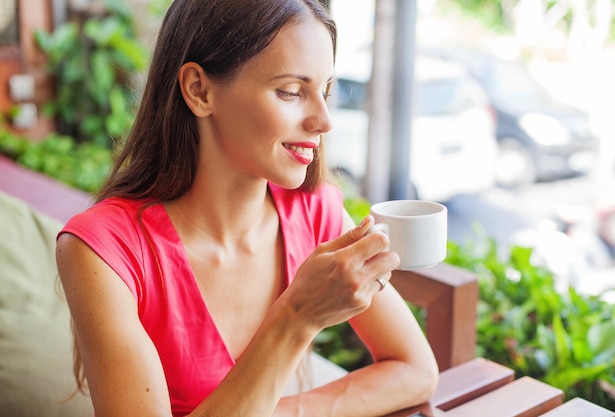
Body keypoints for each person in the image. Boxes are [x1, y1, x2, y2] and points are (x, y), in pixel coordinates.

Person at [55, 1, 439, 416]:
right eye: (291, 91)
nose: (324, 120)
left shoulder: (313, 212)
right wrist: (294, 319)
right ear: (200, 90)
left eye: (326, 91)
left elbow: (416, 370)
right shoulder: (103, 252)